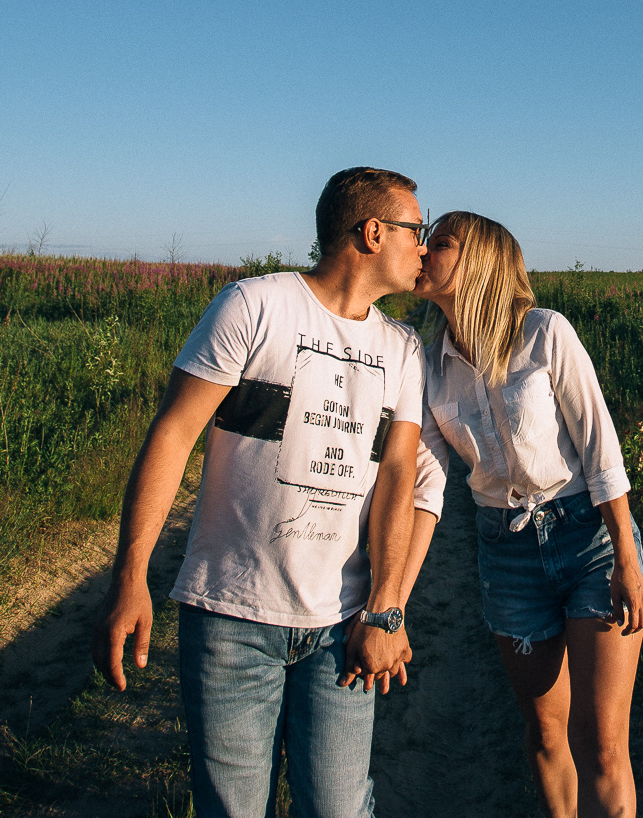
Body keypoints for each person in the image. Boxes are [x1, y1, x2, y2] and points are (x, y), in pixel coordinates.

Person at [91, 167, 442, 818]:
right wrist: (130, 577)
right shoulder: (253, 307)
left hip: (340, 627)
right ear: (372, 233)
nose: (423, 246)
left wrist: (385, 611)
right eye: (415, 229)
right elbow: (173, 434)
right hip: (230, 618)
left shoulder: (402, 348)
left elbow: (398, 477)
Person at [406, 211, 643, 818]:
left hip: (588, 539)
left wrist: (626, 559)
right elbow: (427, 484)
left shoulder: (545, 333)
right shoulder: (428, 363)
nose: (422, 251)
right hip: (506, 551)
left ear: (480, 263)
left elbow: (601, 452)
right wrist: (394, 598)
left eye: (440, 243)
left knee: (602, 744)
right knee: (545, 734)